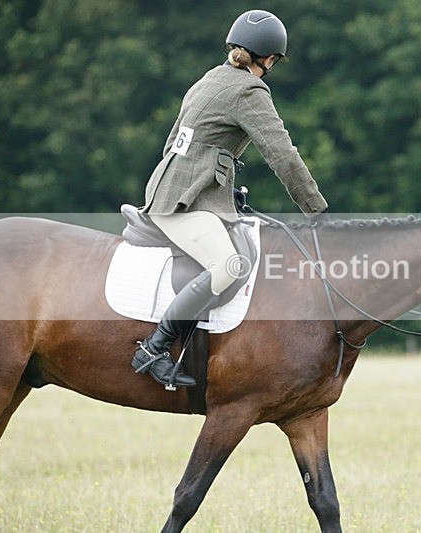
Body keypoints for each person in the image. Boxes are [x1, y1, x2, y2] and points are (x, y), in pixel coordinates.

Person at [131, 9, 328, 388]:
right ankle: (154, 348)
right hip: (182, 203)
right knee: (229, 266)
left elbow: (179, 145)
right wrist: (315, 208)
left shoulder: (210, 78)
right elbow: (282, 154)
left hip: (181, 191)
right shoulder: (249, 90)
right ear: (269, 59)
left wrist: (220, 189)